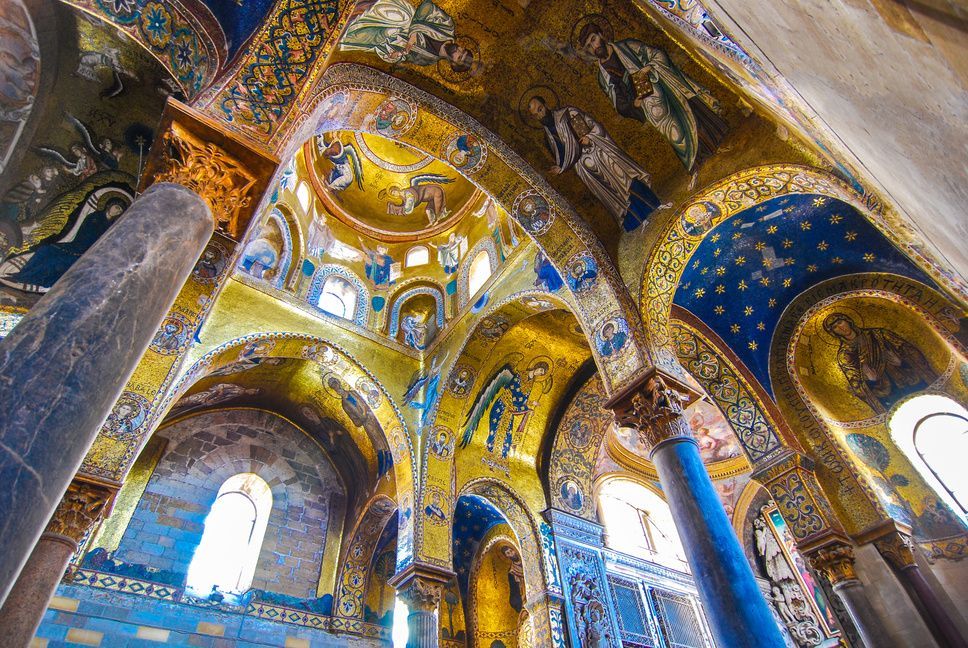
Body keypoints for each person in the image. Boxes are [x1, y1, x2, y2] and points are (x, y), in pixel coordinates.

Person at [579, 23, 728, 185]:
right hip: (647, 106)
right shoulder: (602, 77)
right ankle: (696, 163)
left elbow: (657, 54)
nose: (594, 46)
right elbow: (617, 102)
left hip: (660, 86)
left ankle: (714, 147)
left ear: (601, 34)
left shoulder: (627, 46)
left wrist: (647, 68)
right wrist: (633, 104)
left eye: (594, 39)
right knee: (674, 133)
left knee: (687, 113)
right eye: (589, 46)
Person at [529, 96, 667, 231]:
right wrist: (560, 167)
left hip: (598, 152)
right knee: (612, 194)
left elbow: (594, 126)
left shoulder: (568, 113)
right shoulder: (548, 139)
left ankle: (654, 205)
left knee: (623, 180)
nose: (540, 115)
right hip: (584, 168)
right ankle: (638, 222)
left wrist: (590, 138)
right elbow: (562, 157)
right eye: (536, 115)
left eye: (540, 109)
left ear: (546, 105)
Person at [0, 195, 128, 292]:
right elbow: (83, 234)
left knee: (56, 262)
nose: (117, 211)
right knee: (45, 249)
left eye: (120, 211)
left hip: (87, 253)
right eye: (117, 207)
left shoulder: (111, 227)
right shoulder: (94, 217)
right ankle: (22, 274)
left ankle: (30, 279)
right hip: (76, 246)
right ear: (110, 205)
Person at [823, 312, 938, 413]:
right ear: (834, 332)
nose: (840, 327)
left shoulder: (878, 334)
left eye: (840, 322)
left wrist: (902, 362)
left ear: (848, 321)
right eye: (835, 327)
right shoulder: (845, 354)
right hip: (887, 394)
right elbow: (856, 383)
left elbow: (908, 350)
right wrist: (870, 380)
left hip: (910, 379)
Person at [341, 0, 476, 73]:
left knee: (378, 40)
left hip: (395, 39)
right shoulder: (447, 26)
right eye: (462, 51)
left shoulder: (428, 60)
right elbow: (427, 6)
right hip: (405, 18)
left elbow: (406, 56)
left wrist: (397, 55)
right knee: (400, 18)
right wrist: (414, 32)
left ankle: (342, 31)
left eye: (459, 57)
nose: (458, 50)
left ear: (452, 63)